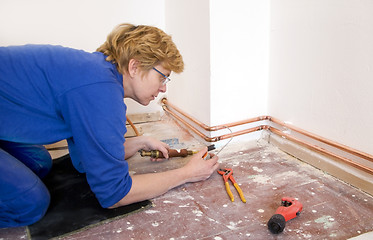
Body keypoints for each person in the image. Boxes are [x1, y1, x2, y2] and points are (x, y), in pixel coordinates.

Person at [0, 23, 219, 228]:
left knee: (40, 162)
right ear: (134, 67)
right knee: (29, 202)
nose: (163, 88)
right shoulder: (100, 92)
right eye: (163, 77)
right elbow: (114, 195)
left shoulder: (96, 75)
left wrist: (137, 143)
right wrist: (186, 174)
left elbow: (83, 162)